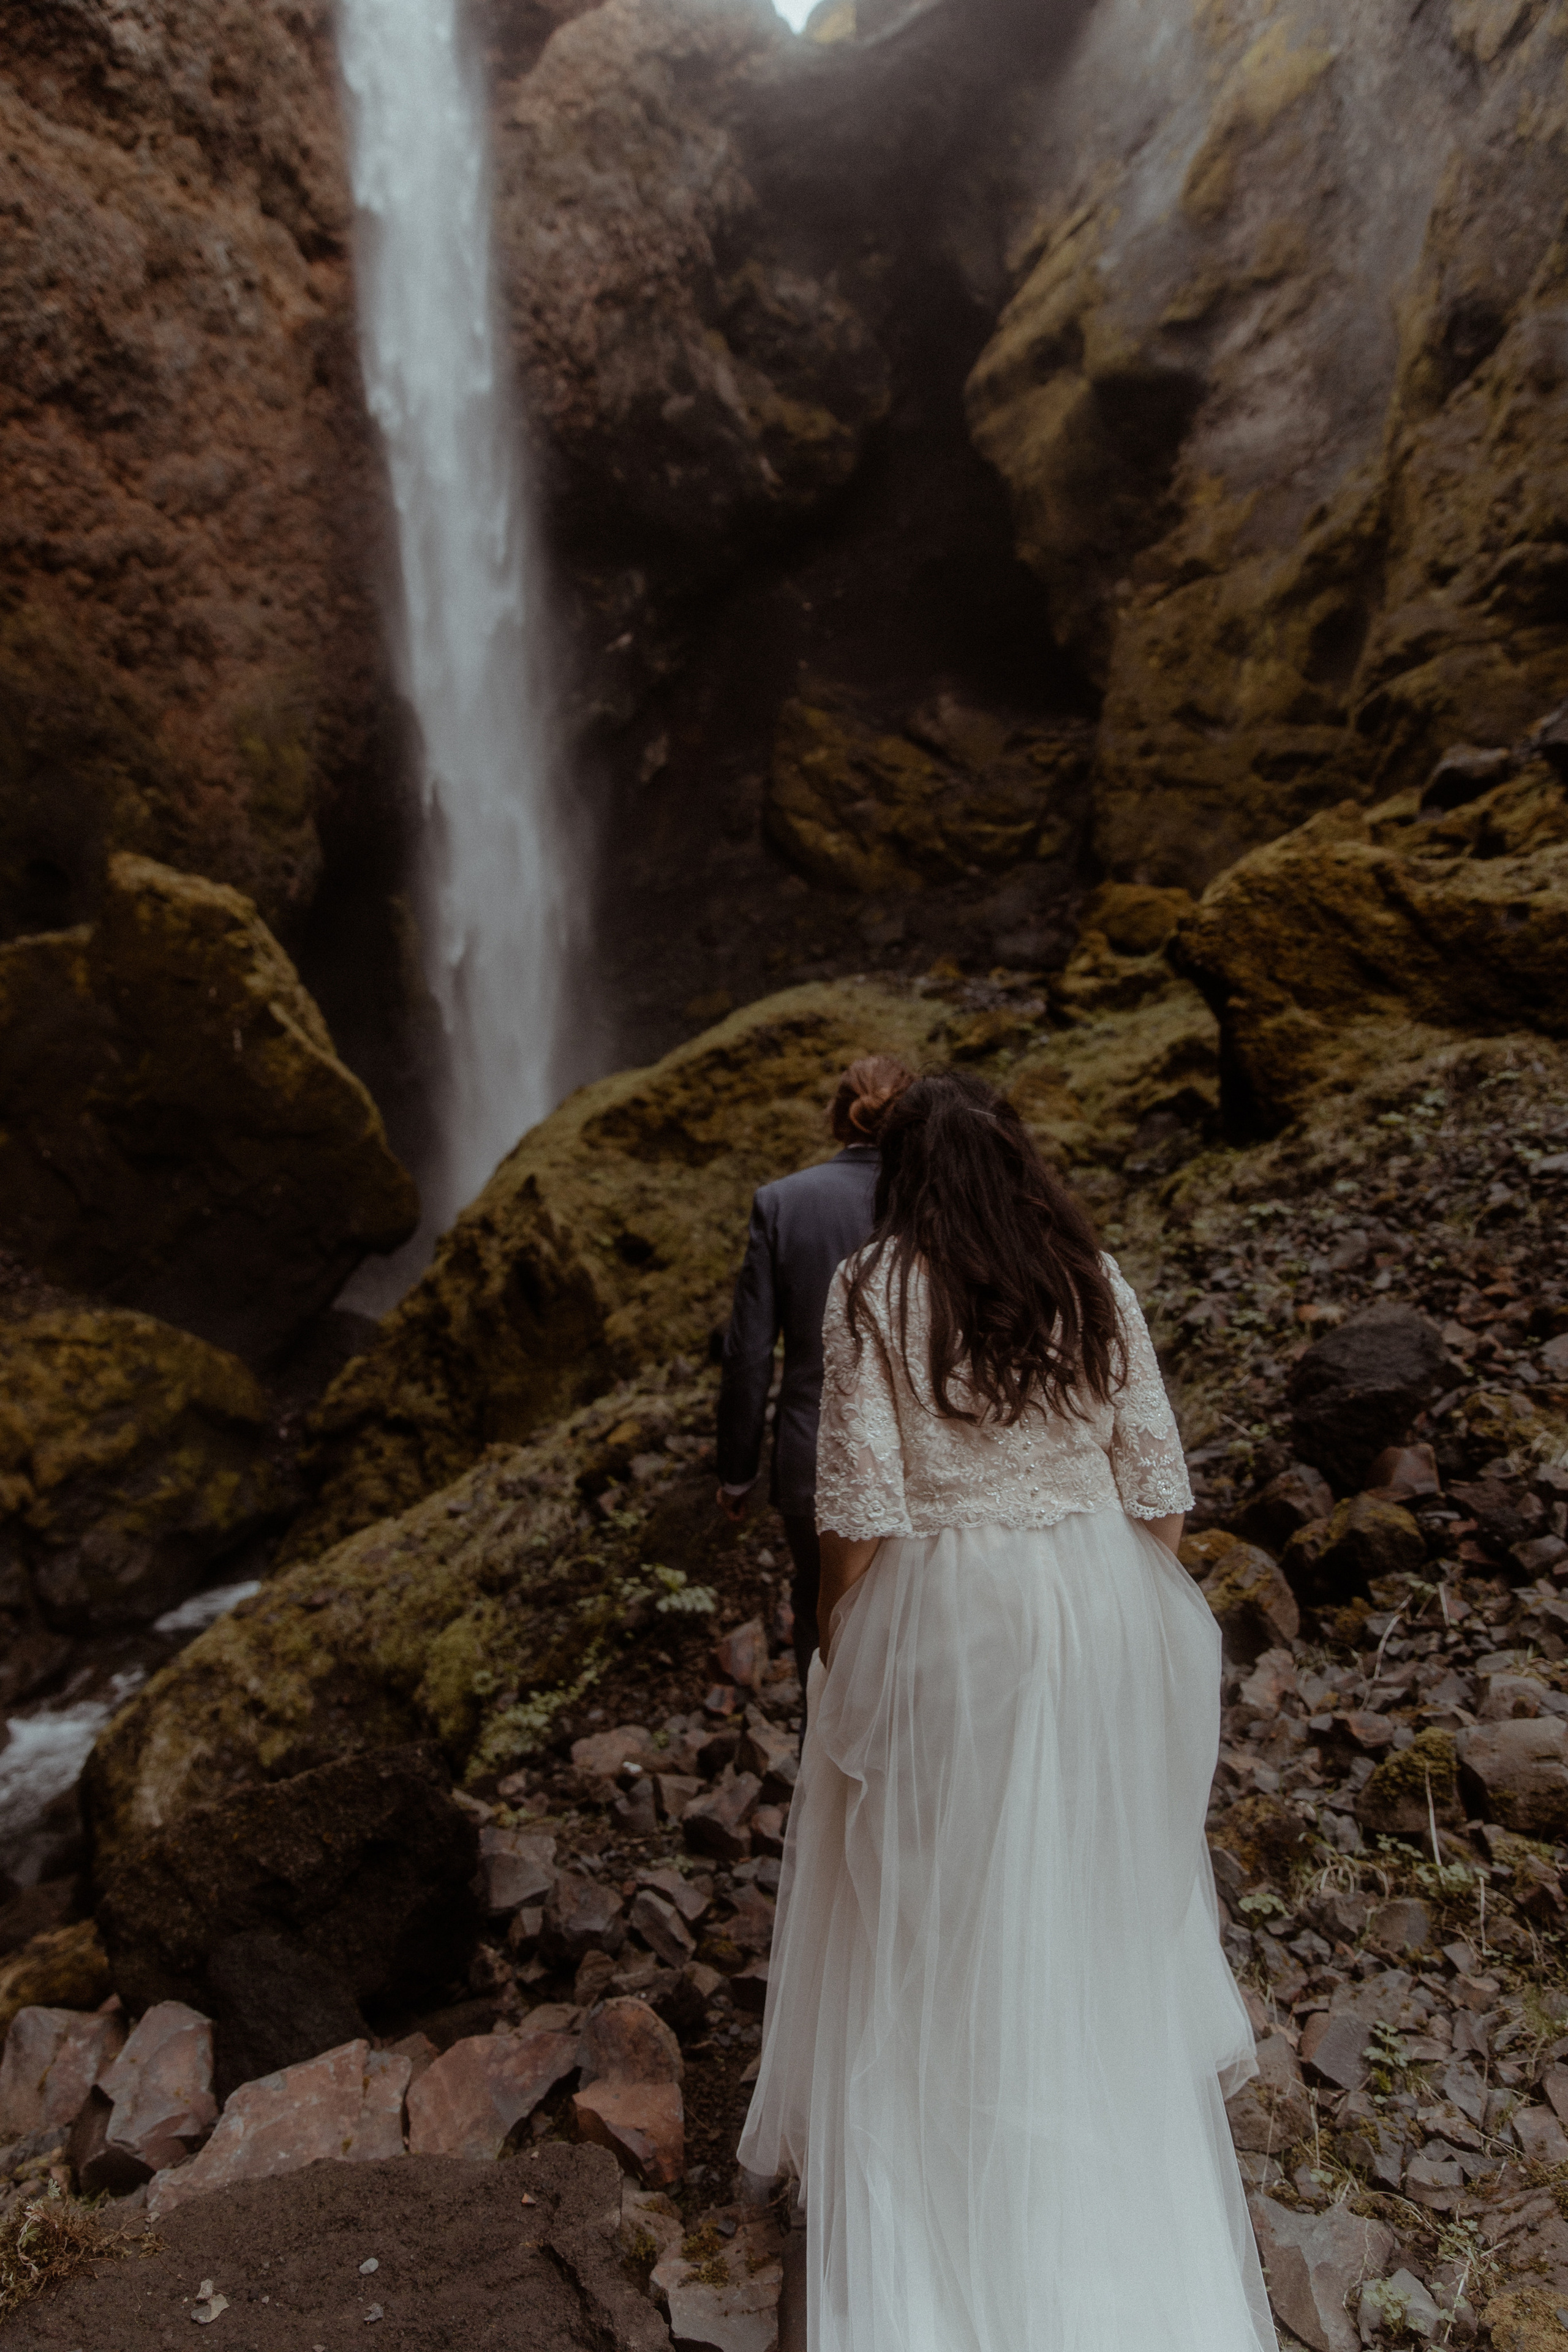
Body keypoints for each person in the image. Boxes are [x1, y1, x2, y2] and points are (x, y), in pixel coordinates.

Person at [737, 1069, 1272, 2352]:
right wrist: (1115, 1608)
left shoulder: (872, 1287)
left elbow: (857, 1509)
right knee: (1078, 1882)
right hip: (1095, 1597)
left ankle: (953, 2160)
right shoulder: (1091, 1278)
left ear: (904, 1176)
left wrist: (834, 1639)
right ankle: (1087, 2147)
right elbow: (1159, 1488)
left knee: (932, 1891)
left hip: (948, 1609)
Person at [715, 1054, 916, 1691]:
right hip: (928, 1449)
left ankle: (826, 1767)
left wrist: (738, 1470)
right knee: (923, 1615)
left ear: (836, 1117)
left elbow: (749, 1352)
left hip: (816, 1453)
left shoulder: (781, 1203)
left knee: (822, 1611)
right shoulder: (935, 1198)